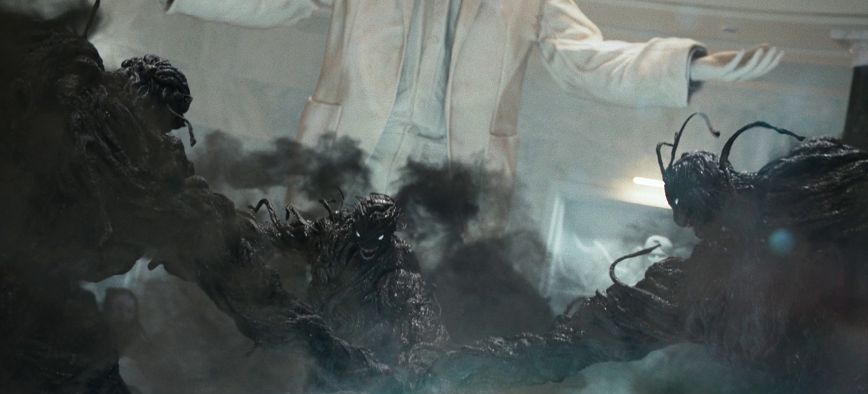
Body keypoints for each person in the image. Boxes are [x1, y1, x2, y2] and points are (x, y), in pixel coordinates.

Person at [160, 0, 781, 200]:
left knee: (423, 322)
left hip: (457, 175)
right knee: (309, 292)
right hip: (350, 149)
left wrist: (688, 66)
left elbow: (586, 61)